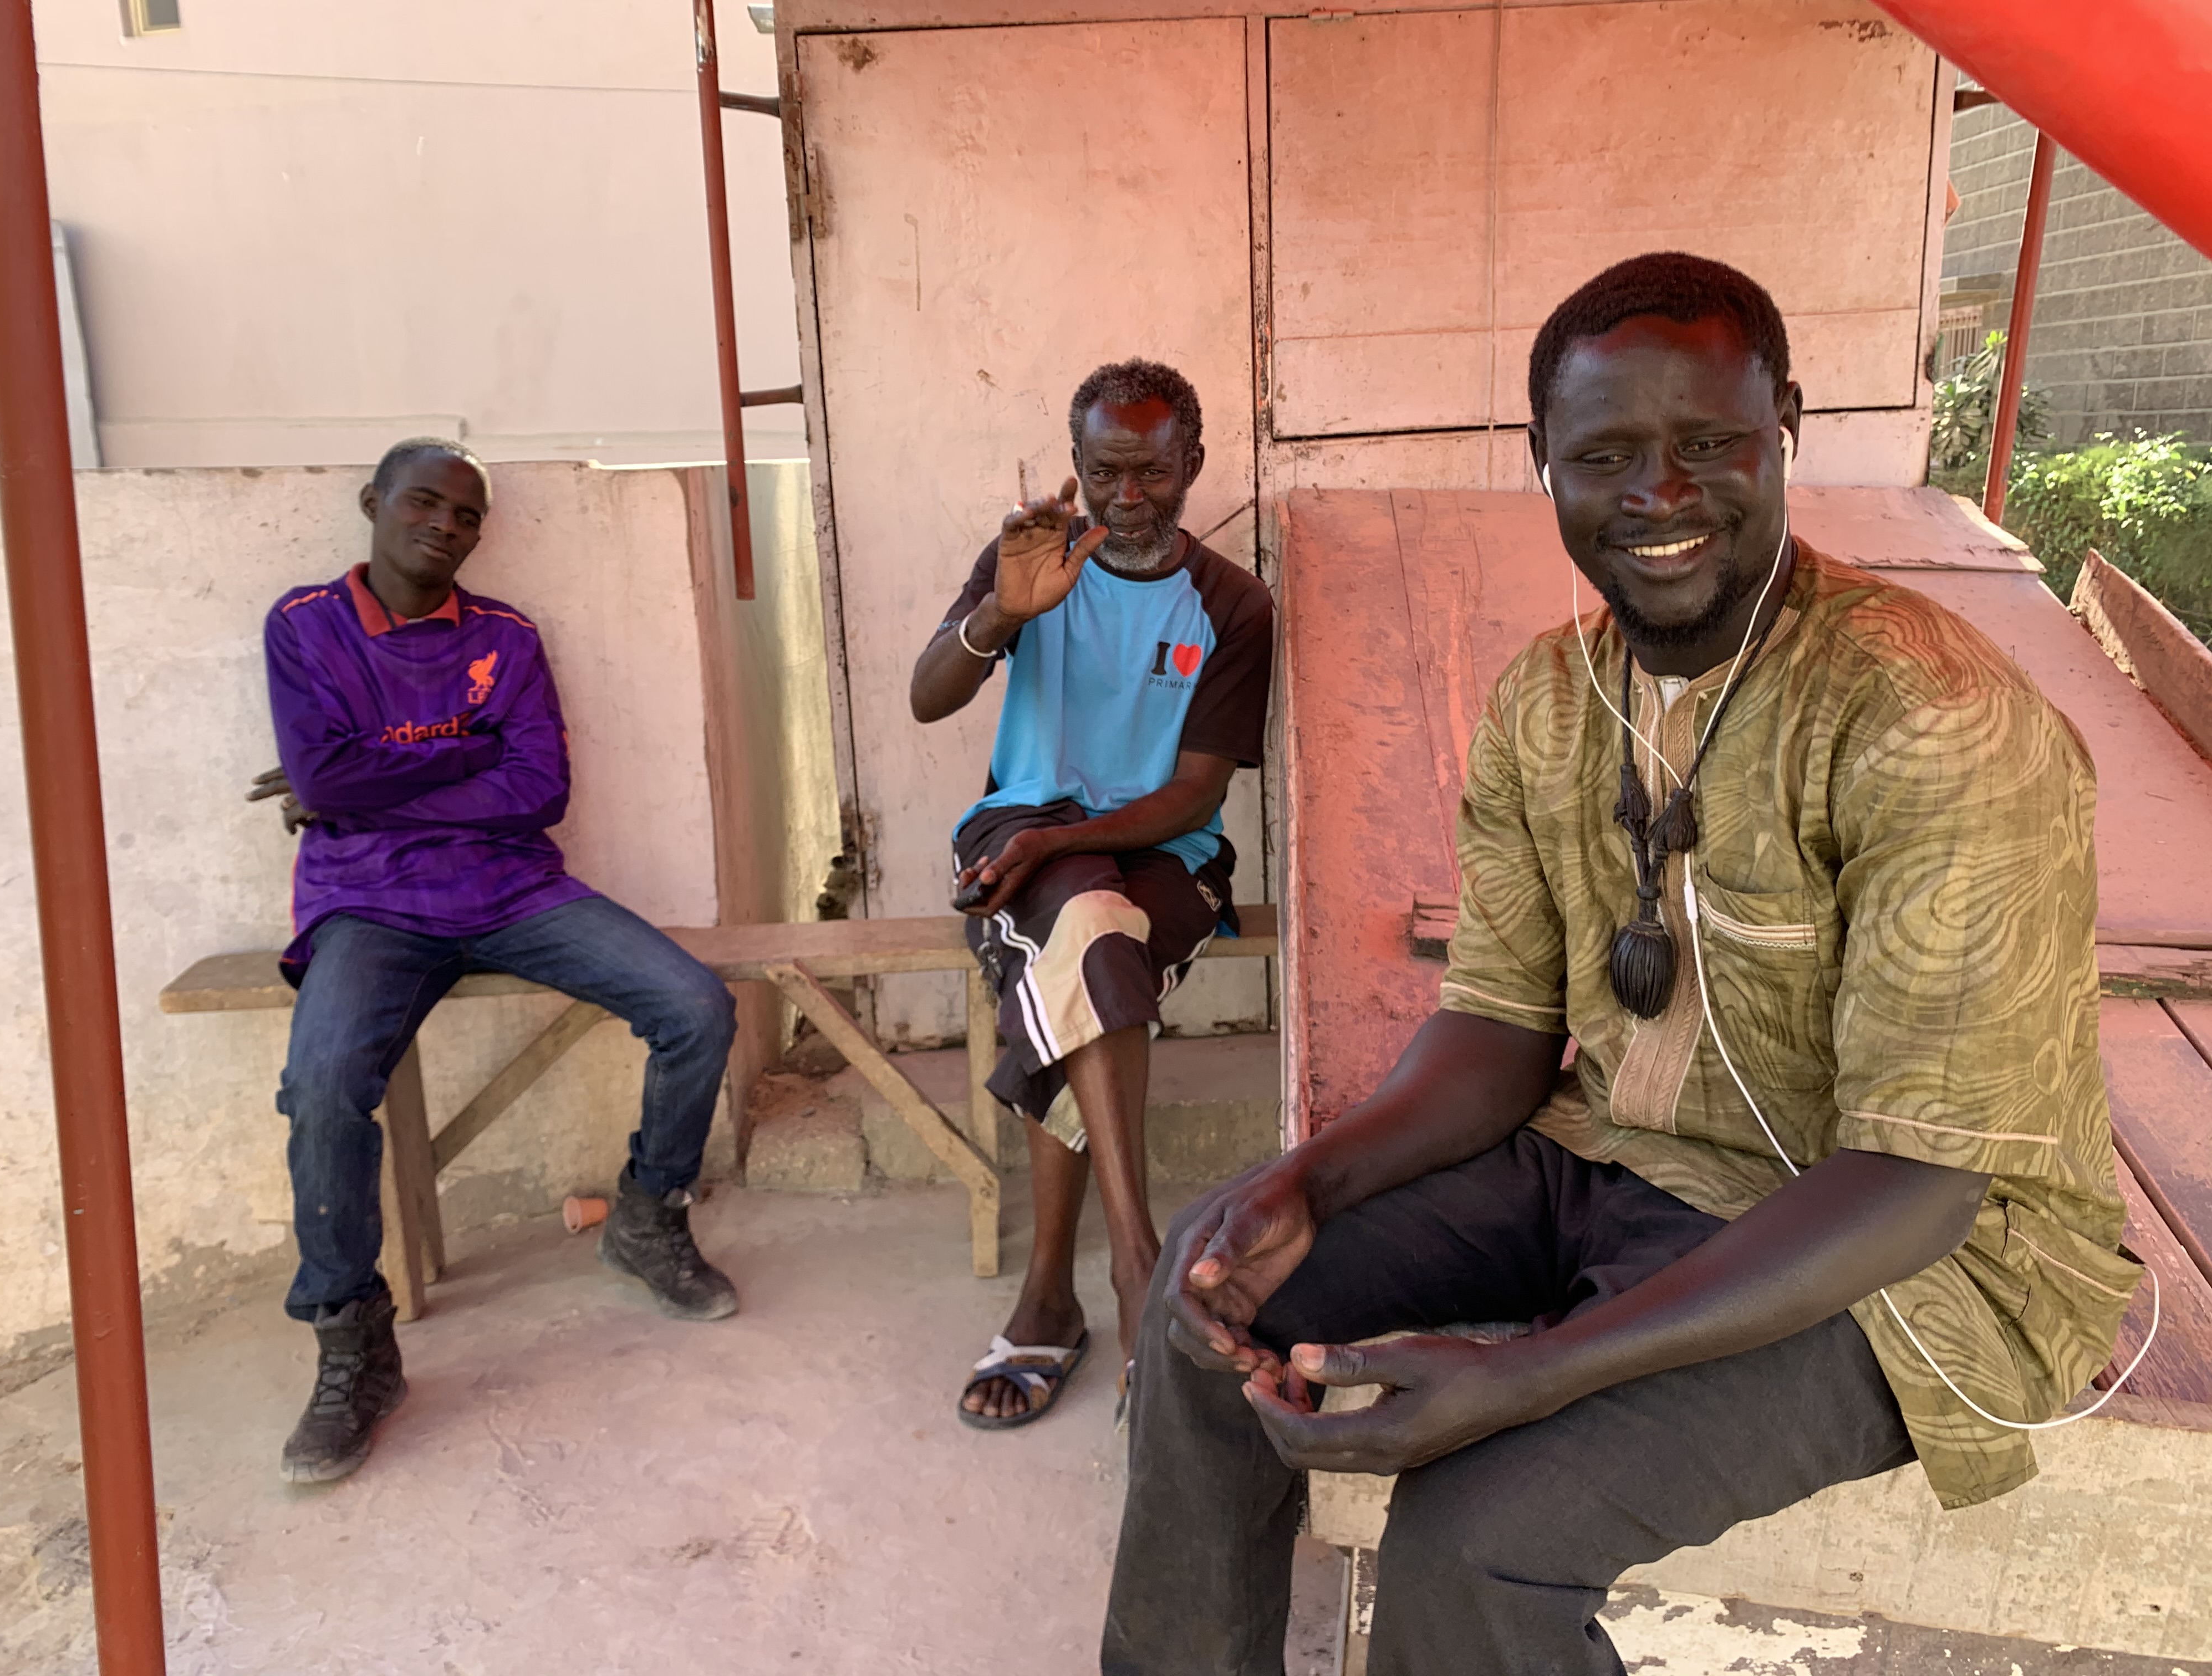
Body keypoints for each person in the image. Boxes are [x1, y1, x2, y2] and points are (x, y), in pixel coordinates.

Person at [1103, 255, 2140, 1673]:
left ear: (1785, 426)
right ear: (1546, 461)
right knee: (1205, 1282)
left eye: (1708, 444)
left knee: (1478, 1535)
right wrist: (1308, 1182)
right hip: (1613, 1158)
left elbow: (1921, 1179)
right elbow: (1498, 1033)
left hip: (1905, 1258)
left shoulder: (1929, 720)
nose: (1659, 494)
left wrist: (1529, 1375)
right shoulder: (1550, 696)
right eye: (1604, 457)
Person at [250, 438, 741, 1485]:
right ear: (373, 500)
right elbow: (324, 780)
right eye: (424, 502)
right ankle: (354, 1344)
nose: (445, 525)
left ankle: (649, 1218)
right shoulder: (304, 624)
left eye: (467, 514)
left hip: (511, 886)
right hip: (370, 904)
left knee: (695, 1005)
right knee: (324, 1086)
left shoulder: (506, 637)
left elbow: (538, 791)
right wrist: (464, 749)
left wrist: (366, 783)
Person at [910, 359, 1275, 1429]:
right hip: (1020, 828)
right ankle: (1135, 1265)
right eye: (1105, 472)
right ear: (1075, 463)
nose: (1128, 498)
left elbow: (1194, 793)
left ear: (1192, 462)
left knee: (1085, 940)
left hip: (1166, 847)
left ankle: (1052, 1299)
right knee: (1089, 930)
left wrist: (1067, 841)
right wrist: (998, 615)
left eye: (1152, 473)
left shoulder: (1234, 604)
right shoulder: (1032, 558)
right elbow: (928, 698)